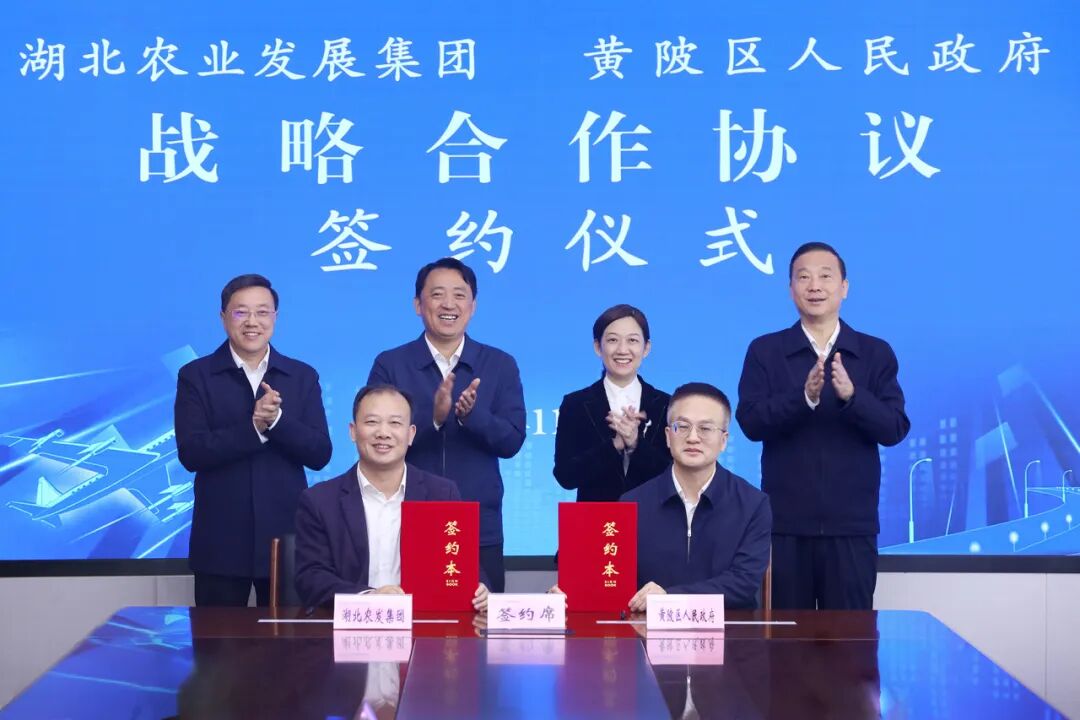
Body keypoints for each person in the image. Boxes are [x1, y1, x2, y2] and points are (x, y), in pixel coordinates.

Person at [735, 242, 910, 610]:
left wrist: (853, 397)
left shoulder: (874, 352)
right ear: (791, 289)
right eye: (804, 277)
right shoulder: (766, 351)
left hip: (852, 528)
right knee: (786, 639)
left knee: (850, 639)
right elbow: (750, 421)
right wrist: (803, 399)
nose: (814, 286)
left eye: (825, 276)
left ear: (844, 287)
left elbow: (895, 428)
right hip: (784, 527)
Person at [367, 258, 525, 592]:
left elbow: (512, 441)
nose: (448, 304)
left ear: (473, 306)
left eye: (459, 295)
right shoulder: (391, 364)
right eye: (437, 294)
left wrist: (471, 416)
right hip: (405, 519)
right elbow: (375, 439)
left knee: (480, 617)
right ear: (418, 305)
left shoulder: (499, 364)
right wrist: (434, 418)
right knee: (405, 614)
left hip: (478, 524)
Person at [175, 274, 332, 606]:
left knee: (288, 639)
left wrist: (276, 422)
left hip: (285, 540)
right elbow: (192, 453)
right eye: (241, 312)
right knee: (216, 639)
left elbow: (320, 453)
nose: (252, 322)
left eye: (262, 312)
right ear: (223, 317)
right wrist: (254, 428)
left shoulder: (301, 376)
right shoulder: (196, 376)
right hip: (219, 541)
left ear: (275, 317)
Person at [294, 384, 489, 611]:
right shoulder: (319, 500)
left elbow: (464, 566)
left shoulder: (442, 493)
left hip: (424, 624)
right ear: (353, 431)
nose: (383, 433)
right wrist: (370, 597)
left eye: (395, 423)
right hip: (351, 623)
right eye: (372, 422)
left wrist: (480, 588)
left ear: (411, 434)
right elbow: (311, 578)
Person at [621, 382, 772, 611]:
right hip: (648, 629)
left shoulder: (753, 504)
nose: (693, 438)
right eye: (682, 427)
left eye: (705, 428)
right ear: (668, 436)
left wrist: (669, 597)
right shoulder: (632, 504)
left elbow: (743, 584)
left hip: (729, 630)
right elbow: (617, 581)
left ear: (724, 440)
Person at [553, 304, 671, 502]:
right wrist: (614, 445)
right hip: (595, 518)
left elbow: (675, 475)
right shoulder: (576, 404)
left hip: (653, 516)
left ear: (646, 348)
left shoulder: (666, 404)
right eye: (613, 340)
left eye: (632, 340)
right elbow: (565, 476)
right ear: (598, 347)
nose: (622, 350)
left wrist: (636, 443)